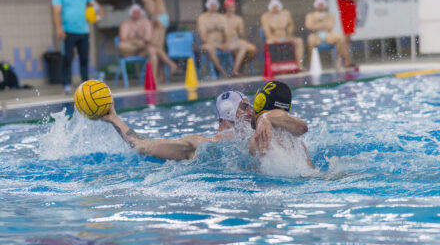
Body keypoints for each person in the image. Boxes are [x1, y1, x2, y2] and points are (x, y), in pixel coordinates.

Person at [101, 90, 307, 161]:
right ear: (228, 112)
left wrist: (267, 119)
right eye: (244, 107)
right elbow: (142, 145)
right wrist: (114, 118)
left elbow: (300, 127)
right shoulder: (198, 144)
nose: (252, 112)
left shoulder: (258, 137)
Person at [52, 0, 103, 95]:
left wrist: (99, 14)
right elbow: (56, 12)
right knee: (67, 58)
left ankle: (85, 84)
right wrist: (59, 28)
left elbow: (96, 6)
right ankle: (67, 84)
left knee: (84, 58)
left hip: (83, 32)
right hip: (67, 31)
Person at [249, 80, 313, 168]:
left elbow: (302, 127)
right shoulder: (294, 140)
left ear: (259, 103)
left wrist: (264, 117)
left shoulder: (266, 121)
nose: (250, 112)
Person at [131, 0, 177, 83]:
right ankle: (160, 76)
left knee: (153, 47)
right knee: (158, 48)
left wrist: (155, 17)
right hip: (159, 17)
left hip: (159, 18)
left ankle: (169, 67)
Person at [305, 0, 351, 69]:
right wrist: (323, 24)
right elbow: (309, 26)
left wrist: (316, 24)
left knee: (340, 38)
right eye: (319, 4)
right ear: (316, 5)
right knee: (310, 41)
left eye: (322, 4)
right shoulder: (310, 15)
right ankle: (312, 63)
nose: (320, 6)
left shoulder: (330, 15)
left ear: (325, 5)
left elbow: (330, 26)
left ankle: (339, 60)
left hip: (328, 35)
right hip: (315, 35)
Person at [260, 0, 305, 68]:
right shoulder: (265, 16)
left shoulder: (286, 13)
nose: (275, 9)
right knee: (269, 43)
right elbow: (267, 32)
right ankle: (273, 67)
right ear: (270, 7)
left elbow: (291, 25)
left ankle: (299, 65)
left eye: (276, 7)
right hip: (272, 38)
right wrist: (275, 39)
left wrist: (289, 35)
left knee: (299, 41)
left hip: (286, 37)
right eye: (273, 7)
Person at [223, 0, 257, 77]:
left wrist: (242, 40)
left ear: (235, 7)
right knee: (241, 48)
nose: (230, 9)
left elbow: (241, 34)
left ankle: (239, 66)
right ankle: (236, 70)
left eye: (232, 7)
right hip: (226, 43)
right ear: (226, 7)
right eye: (229, 7)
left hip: (236, 42)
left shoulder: (238, 19)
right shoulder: (221, 18)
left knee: (253, 49)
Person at [197, 0, 230, 78]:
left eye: (215, 4)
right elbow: (203, 38)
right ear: (207, 6)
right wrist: (217, 45)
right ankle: (222, 71)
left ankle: (236, 70)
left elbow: (227, 34)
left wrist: (226, 43)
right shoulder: (202, 18)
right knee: (210, 48)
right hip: (207, 45)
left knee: (240, 45)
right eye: (211, 5)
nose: (213, 6)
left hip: (222, 44)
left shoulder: (222, 17)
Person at [118, 4, 157, 70]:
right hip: (130, 50)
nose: (136, 14)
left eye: (138, 12)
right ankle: (136, 50)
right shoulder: (126, 24)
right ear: (131, 13)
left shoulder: (146, 22)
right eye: (134, 12)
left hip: (143, 49)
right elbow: (123, 38)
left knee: (152, 51)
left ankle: (153, 77)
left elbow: (148, 38)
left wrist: (141, 38)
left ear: (141, 13)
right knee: (121, 46)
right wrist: (135, 41)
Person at [335, 0, 358, 68]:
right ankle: (346, 61)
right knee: (346, 39)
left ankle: (345, 60)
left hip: (348, 15)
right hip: (346, 15)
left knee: (347, 39)